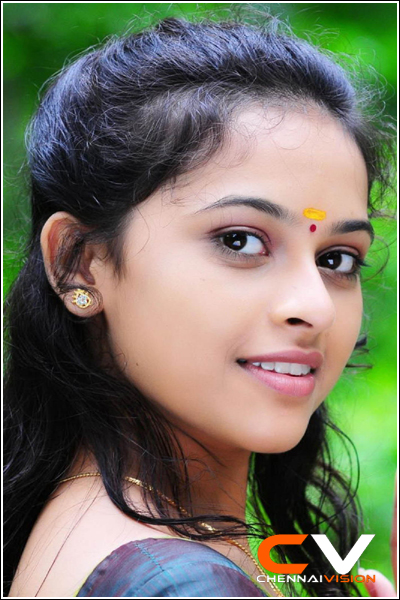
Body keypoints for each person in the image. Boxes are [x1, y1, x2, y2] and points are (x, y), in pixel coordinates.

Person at [3, 12, 397, 598]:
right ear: (79, 263)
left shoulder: (87, 521)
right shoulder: (181, 582)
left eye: (337, 258)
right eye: (239, 241)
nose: (315, 307)